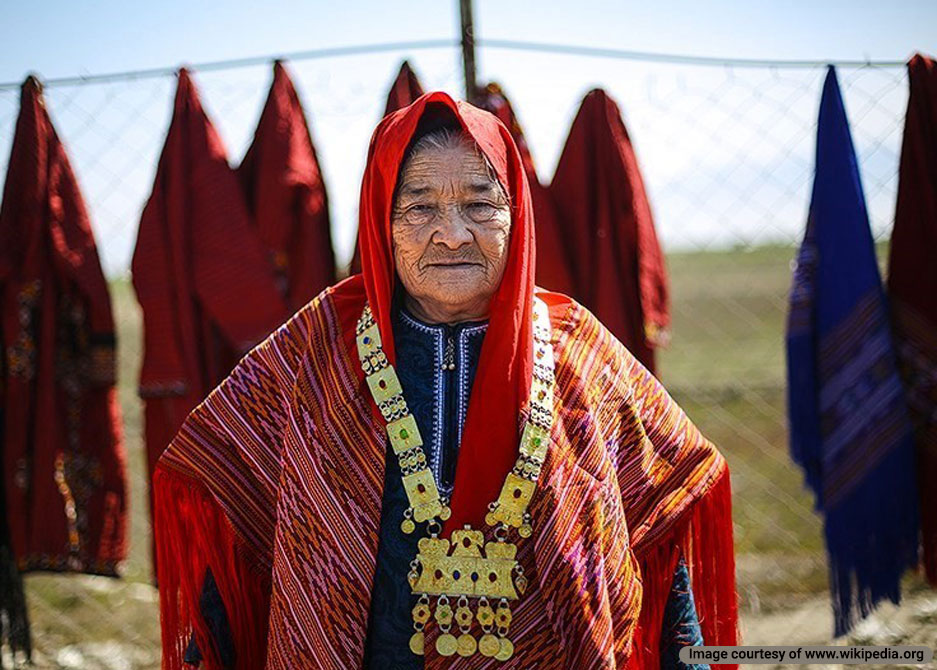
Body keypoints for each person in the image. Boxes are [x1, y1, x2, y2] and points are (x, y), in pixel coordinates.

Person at [154, 91, 737, 670]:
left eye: (480, 205)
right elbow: (238, 521)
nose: (453, 234)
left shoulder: (580, 352)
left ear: (516, 214)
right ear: (382, 218)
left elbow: (660, 527)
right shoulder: (315, 348)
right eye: (420, 207)